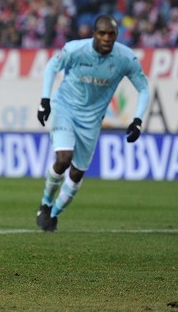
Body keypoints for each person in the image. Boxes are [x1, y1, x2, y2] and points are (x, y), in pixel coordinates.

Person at [35, 15, 150, 232]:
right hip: (65, 109)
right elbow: (52, 66)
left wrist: (138, 120)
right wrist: (45, 101)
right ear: (94, 34)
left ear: (116, 35)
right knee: (63, 159)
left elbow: (144, 88)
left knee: (77, 173)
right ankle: (46, 202)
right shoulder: (76, 50)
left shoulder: (125, 58)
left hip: (92, 120)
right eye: (102, 33)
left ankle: (54, 213)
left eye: (111, 34)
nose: (107, 38)